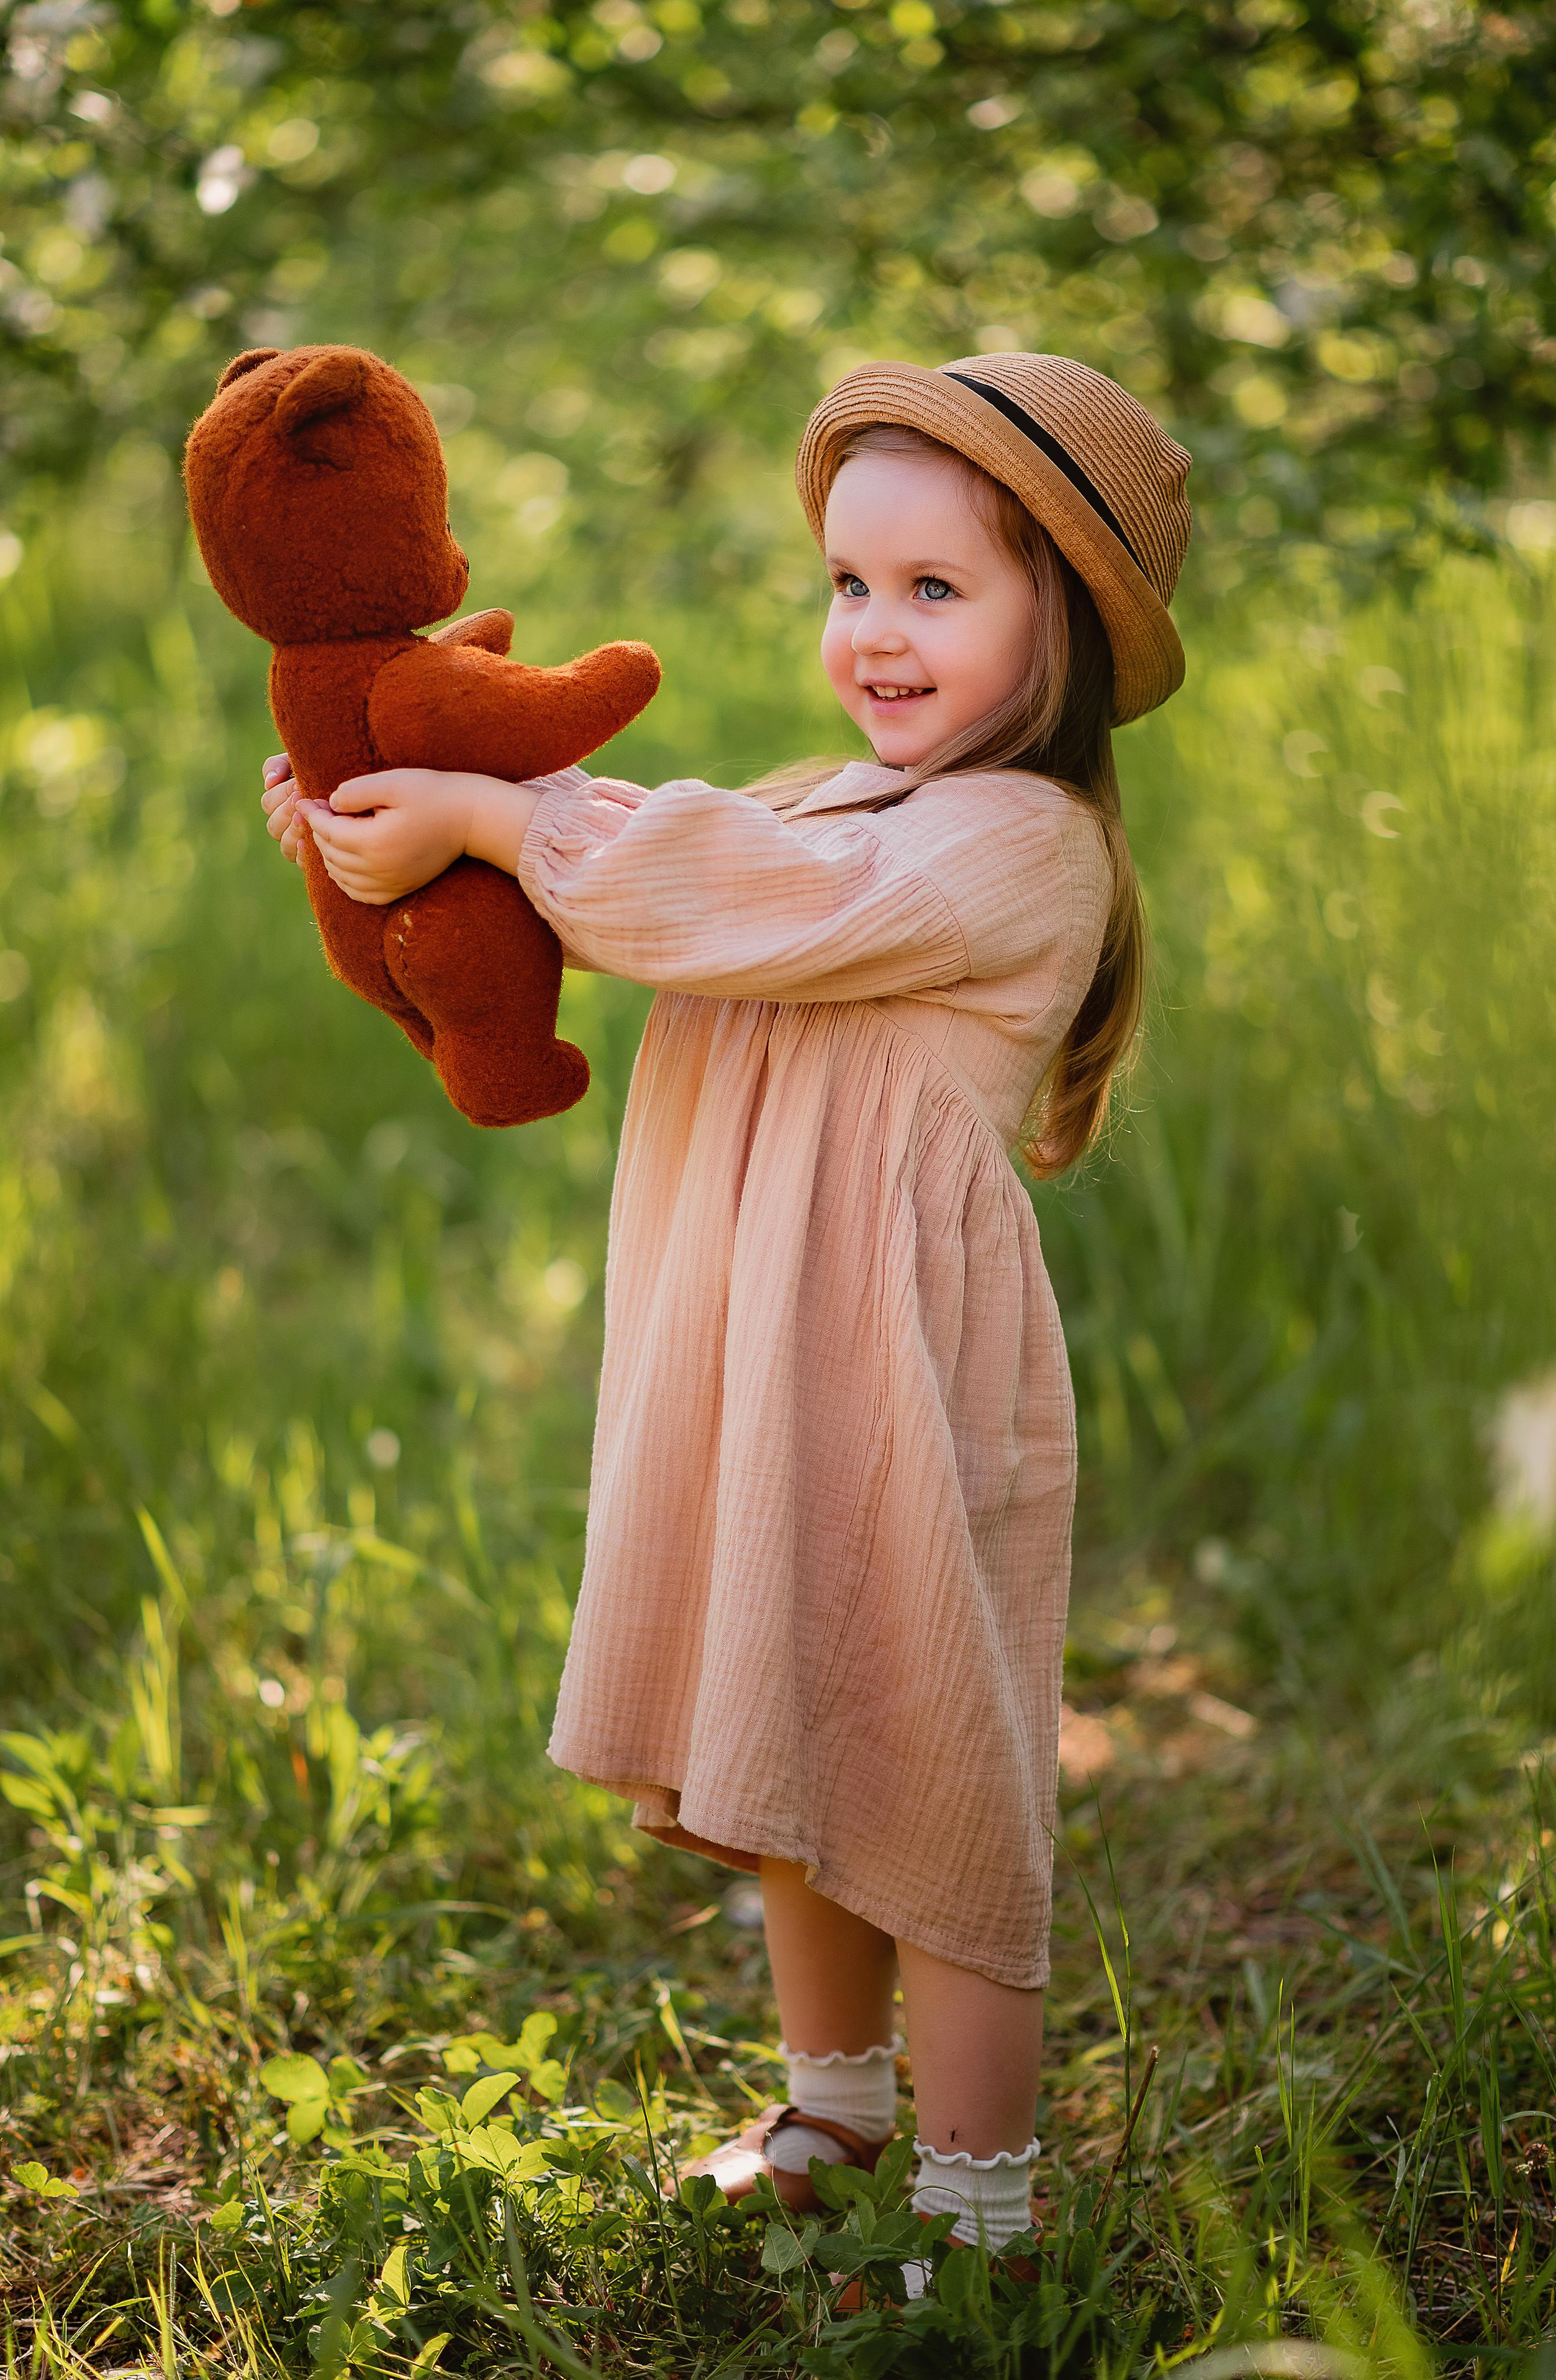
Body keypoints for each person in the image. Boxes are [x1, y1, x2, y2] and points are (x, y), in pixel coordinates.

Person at [261, 353, 1191, 2279]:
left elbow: (739, 897)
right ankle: (837, 2108)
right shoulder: (833, 797)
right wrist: (399, 817)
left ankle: (983, 2203)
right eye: (852, 584)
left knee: (925, 1734)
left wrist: (504, 823)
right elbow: (649, 846)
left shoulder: (1022, 843)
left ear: (1069, 630)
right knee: (787, 1697)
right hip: (765, 1340)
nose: (877, 631)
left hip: (889, 1358)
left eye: (940, 589)